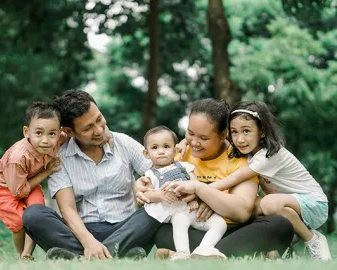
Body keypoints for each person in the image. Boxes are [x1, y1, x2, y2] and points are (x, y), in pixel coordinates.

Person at [136, 98, 294, 259]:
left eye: (204, 138)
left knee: (280, 225)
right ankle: (221, 254)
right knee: (162, 229)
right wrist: (141, 187)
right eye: (190, 133)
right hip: (190, 228)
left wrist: (202, 192)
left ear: (223, 135)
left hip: (231, 230)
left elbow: (242, 212)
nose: (194, 143)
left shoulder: (240, 158)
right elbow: (155, 187)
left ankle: (193, 254)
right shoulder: (180, 153)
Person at [22, 90, 162, 261]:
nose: (99, 130)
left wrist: (145, 184)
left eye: (99, 119)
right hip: (80, 233)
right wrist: (89, 242)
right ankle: (117, 256)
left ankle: (80, 259)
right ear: (69, 131)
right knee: (33, 214)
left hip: (125, 229)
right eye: (88, 128)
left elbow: (161, 170)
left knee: (158, 207)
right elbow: (68, 210)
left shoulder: (123, 143)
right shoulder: (60, 158)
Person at [206, 100, 330, 260]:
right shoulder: (249, 151)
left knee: (268, 203)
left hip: (315, 204)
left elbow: (235, 178)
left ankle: (313, 239)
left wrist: (204, 191)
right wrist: (184, 142)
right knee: (244, 205)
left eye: (246, 131)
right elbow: (215, 141)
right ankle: (281, 246)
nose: (239, 139)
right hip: (287, 206)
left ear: (262, 131)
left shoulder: (270, 154)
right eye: (234, 132)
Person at [0, 102, 65, 260]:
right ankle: (20, 256)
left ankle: (27, 254)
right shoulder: (18, 157)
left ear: (59, 133)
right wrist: (47, 171)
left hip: (29, 182)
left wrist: (106, 138)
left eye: (52, 134)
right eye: (38, 133)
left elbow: (76, 133)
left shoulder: (58, 139)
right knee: (19, 224)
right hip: (5, 188)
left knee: (36, 214)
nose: (45, 140)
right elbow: (18, 192)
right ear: (26, 132)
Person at [142, 125, 227, 260]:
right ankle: (183, 252)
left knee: (220, 224)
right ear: (146, 154)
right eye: (154, 148)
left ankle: (205, 247)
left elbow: (196, 185)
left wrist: (194, 199)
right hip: (177, 212)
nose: (161, 151)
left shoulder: (184, 166)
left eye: (166, 146)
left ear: (175, 150)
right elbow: (146, 195)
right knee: (179, 223)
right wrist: (160, 195)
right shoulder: (150, 174)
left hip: (194, 210)